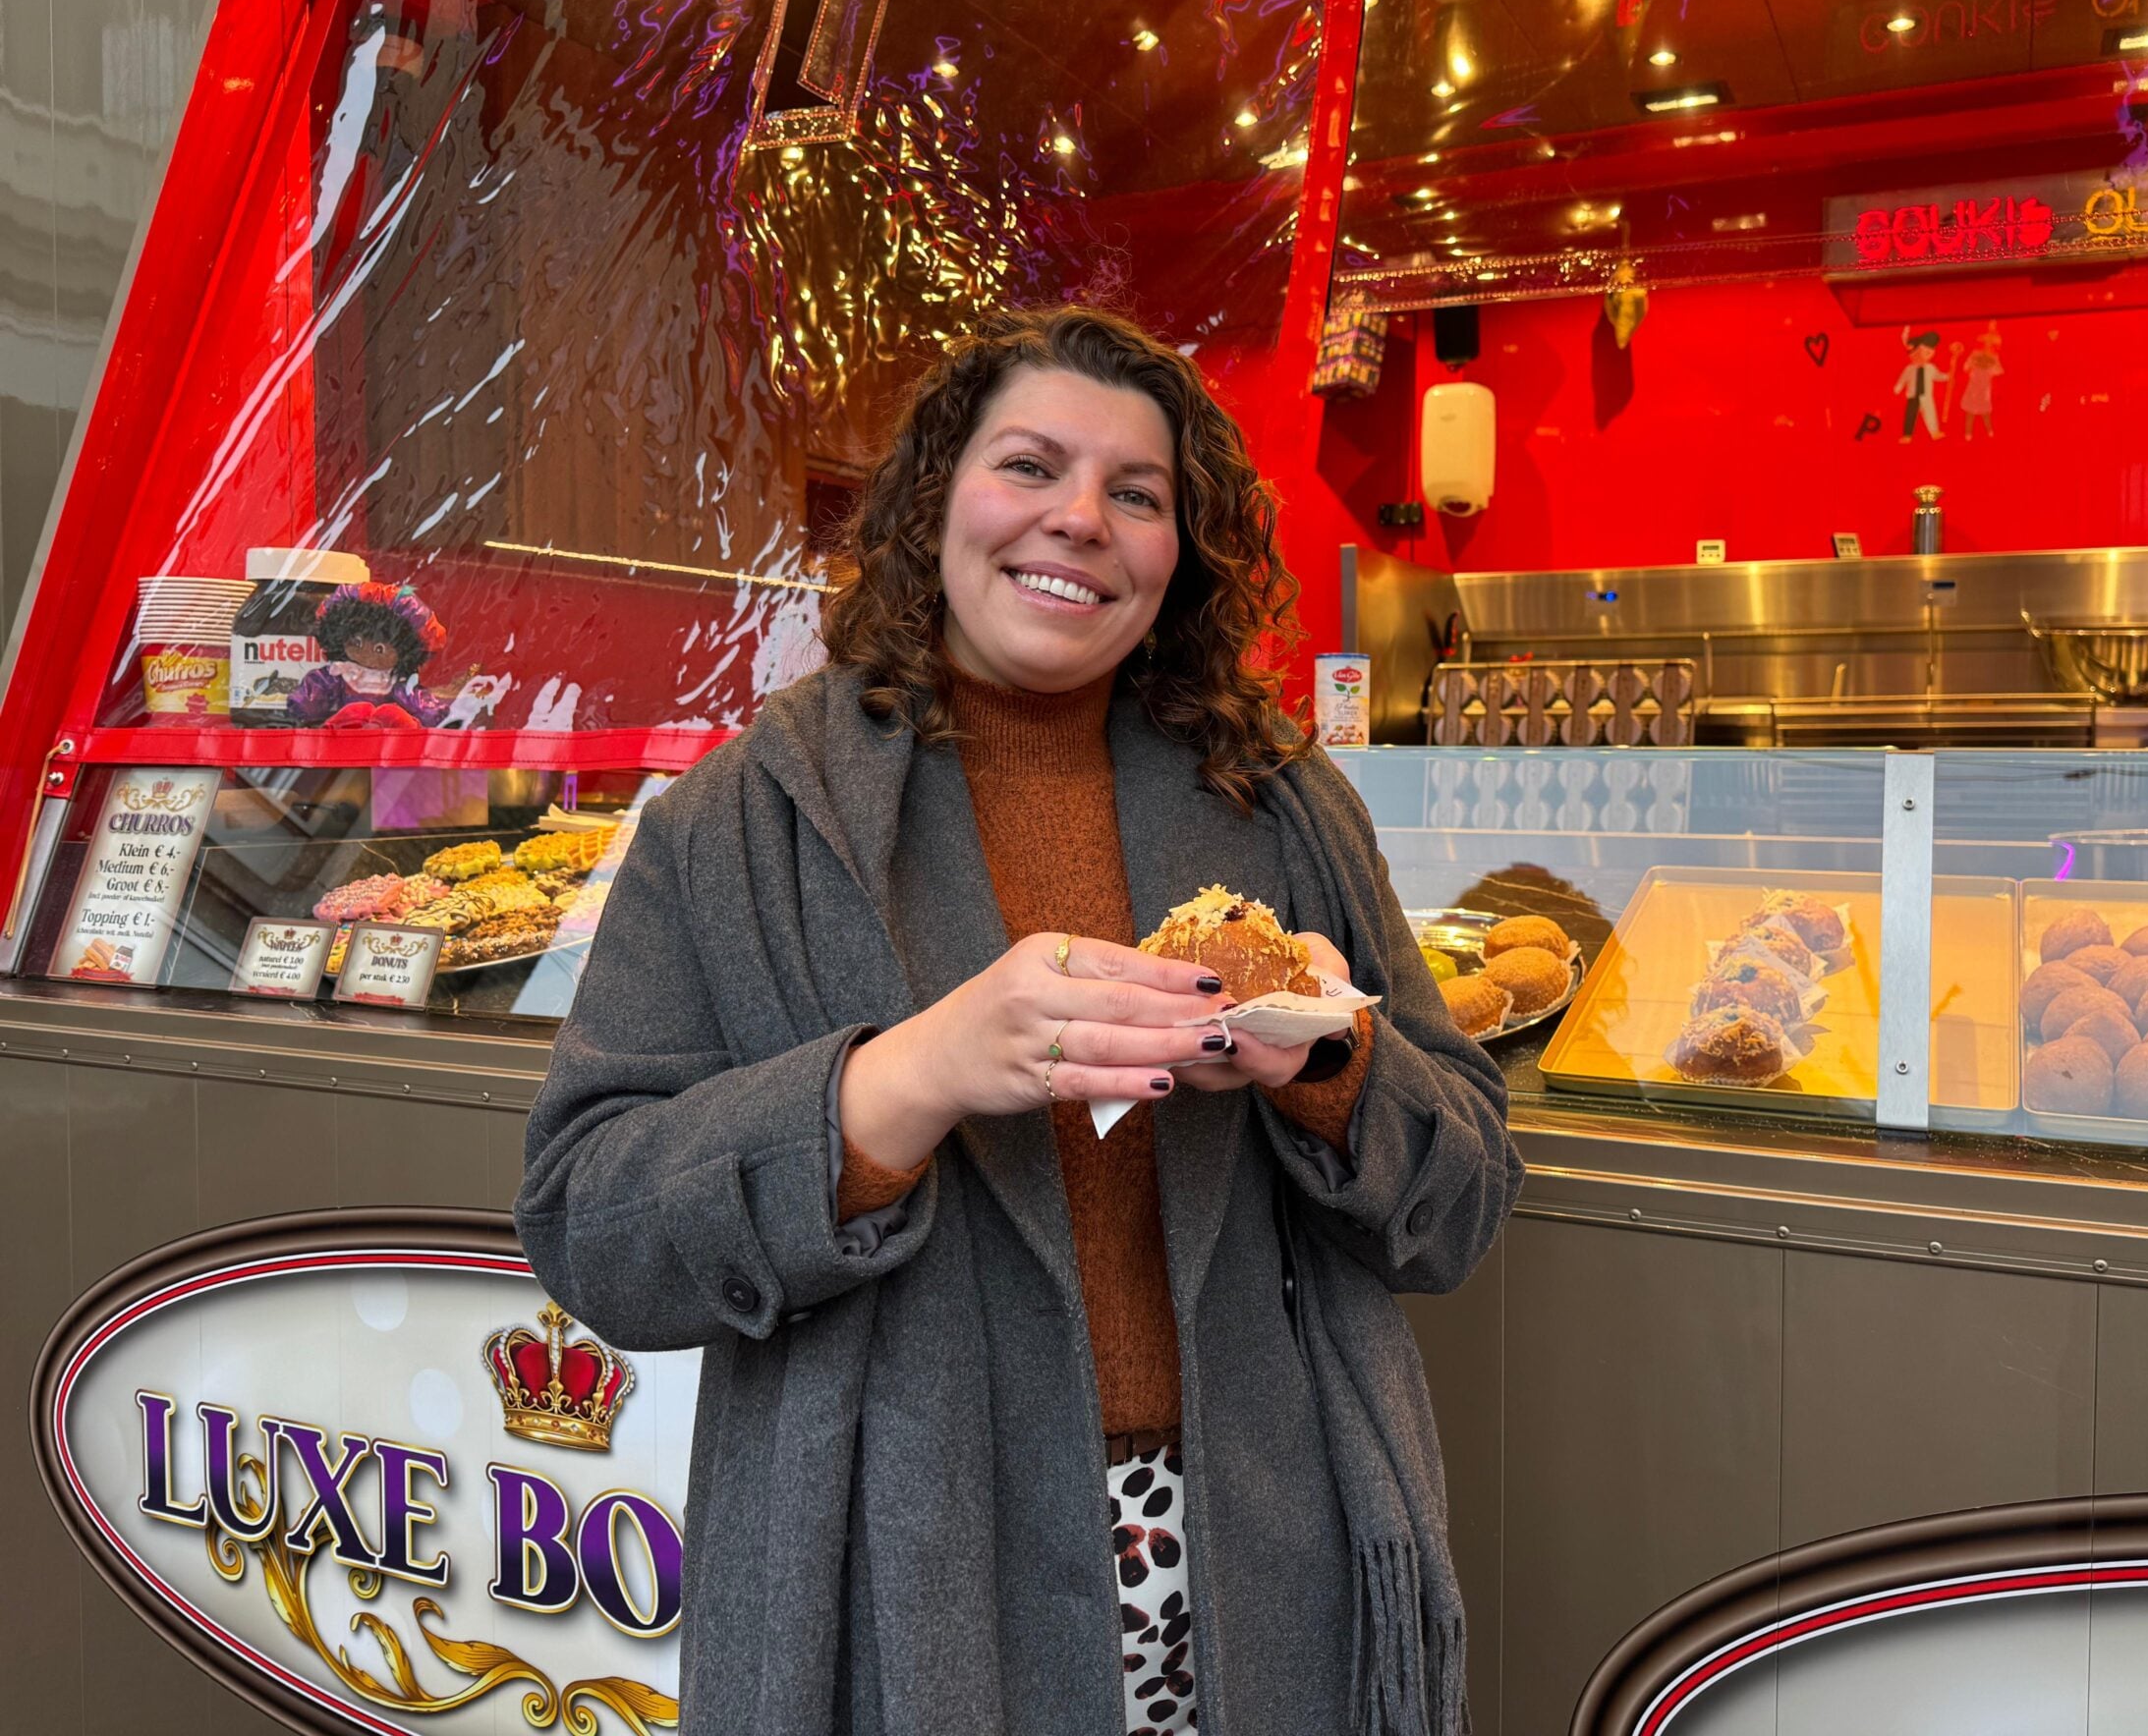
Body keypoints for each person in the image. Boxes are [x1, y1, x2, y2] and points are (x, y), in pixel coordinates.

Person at [517, 307, 1520, 1736]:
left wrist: (1332, 1064)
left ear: (1183, 555)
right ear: (936, 504)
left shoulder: (1285, 805)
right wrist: (908, 1077)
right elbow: (592, 1228)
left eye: (1137, 493)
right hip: (897, 1585)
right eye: (1030, 466)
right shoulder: (743, 822)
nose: (1080, 521)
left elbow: (1466, 1198)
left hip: (1256, 1559)